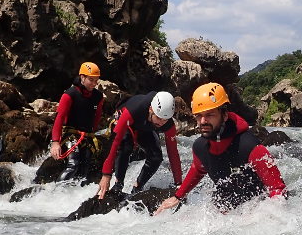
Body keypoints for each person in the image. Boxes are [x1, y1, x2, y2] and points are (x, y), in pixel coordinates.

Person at [154, 83, 286, 214]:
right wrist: (178, 196)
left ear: (224, 115)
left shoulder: (250, 146)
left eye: (210, 115)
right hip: (224, 214)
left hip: (255, 211)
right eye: (199, 115)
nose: (203, 121)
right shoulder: (200, 147)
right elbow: (198, 169)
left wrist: (262, 218)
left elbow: (278, 189)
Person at [97, 91, 183, 199]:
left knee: (156, 157)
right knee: (125, 148)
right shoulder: (134, 110)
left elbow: (173, 153)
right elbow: (115, 141)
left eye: (165, 120)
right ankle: (118, 184)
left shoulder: (167, 124)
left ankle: (137, 187)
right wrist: (106, 174)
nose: (161, 123)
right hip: (128, 120)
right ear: (151, 109)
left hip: (146, 126)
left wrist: (178, 183)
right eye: (159, 118)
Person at [50, 62, 105, 181]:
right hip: (71, 134)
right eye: (91, 80)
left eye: (96, 80)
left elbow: (97, 117)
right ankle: (57, 193)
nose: (94, 84)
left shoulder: (98, 97)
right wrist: (55, 142)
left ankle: (75, 195)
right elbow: (59, 118)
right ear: (82, 77)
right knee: (73, 165)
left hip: (86, 136)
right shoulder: (70, 94)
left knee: (85, 167)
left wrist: (92, 134)